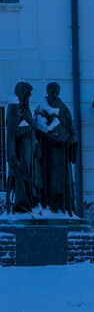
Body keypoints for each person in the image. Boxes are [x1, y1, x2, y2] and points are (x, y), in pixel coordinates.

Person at [34, 82, 77, 215]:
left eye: (56, 92)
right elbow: (37, 127)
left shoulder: (64, 109)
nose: (54, 95)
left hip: (62, 152)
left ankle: (63, 208)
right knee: (48, 179)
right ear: (48, 92)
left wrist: (71, 139)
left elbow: (72, 129)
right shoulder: (41, 107)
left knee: (64, 181)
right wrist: (50, 136)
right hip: (48, 152)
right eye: (52, 92)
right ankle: (49, 206)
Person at [5, 81, 37, 213]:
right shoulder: (14, 108)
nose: (28, 97)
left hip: (28, 150)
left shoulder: (24, 108)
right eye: (27, 94)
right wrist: (31, 127)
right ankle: (21, 204)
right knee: (21, 175)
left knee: (28, 174)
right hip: (20, 151)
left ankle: (28, 202)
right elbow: (14, 132)